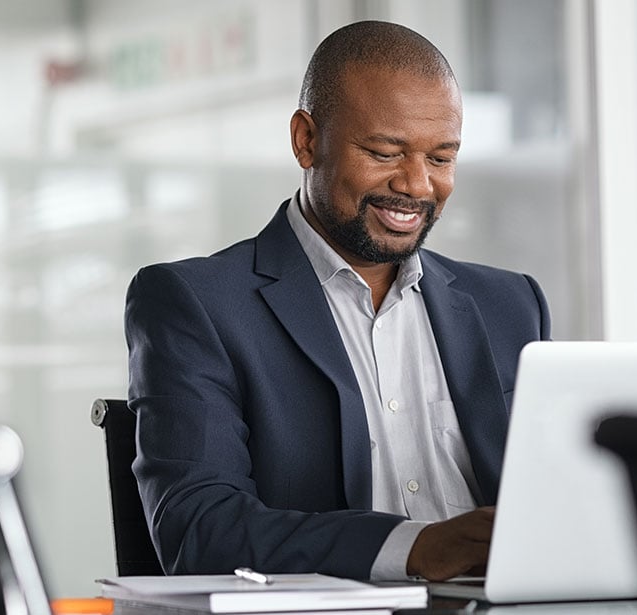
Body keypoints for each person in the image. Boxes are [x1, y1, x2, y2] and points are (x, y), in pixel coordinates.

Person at [125, 20, 550, 582]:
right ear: (306, 141)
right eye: (384, 151)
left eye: (442, 159)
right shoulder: (196, 303)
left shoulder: (510, 304)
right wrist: (415, 548)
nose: (418, 185)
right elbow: (201, 530)